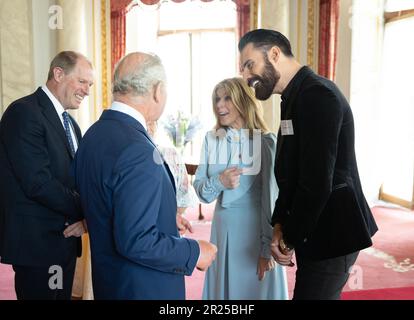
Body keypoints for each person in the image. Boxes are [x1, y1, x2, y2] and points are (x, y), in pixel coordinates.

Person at [238, 29, 378, 300]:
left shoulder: (317, 95)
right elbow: (291, 172)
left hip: (334, 231)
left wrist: (289, 237)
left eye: (249, 64)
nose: (245, 76)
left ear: (274, 54)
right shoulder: (293, 97)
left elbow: (316, 182)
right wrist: (279, 223)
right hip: (314, 228)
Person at [73, 52, 217, 300]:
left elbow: (111, 204)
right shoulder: (137, 149)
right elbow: (136, 240)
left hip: (109, 282)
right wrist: (194, 252)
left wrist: (163, 218)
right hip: (142, 287)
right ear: (157, 91)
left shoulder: (93, 135)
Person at [0, 51, 93, 299]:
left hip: (65, 241)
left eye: (90, 85)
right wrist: (89, 208)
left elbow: (76, 179)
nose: (87, 90)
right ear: (58, 73)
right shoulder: (23, 112)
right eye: (82, 82)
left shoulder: (72, 125)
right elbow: (37, 183)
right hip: (36, 245)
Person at [193, 77, 288, 300]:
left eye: (227, 98)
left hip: (255, 234)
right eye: (217, 99)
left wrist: (267, 249)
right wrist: (219, 182)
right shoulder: (211, 140)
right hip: (222, 230)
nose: (219, 105)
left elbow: (271, 200)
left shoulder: (266, 142)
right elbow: (200, 191)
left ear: (243, 101)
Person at [147, 120, 198, 235]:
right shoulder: (170, 154)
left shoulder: (171, 154)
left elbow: (183, 197)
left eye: (151, 123)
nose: (149, 127)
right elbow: (183, 198)